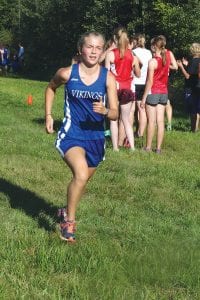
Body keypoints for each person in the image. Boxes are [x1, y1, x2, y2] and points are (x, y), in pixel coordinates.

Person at [45, 31, 118, 243]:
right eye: (89, 47)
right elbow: (50, 88)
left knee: (82, 181)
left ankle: (65, 210)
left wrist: (106, 111)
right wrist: (49, 115)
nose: (94, 51)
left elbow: (115, 112)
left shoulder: (108, 78)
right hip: (72, 134)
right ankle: (69, 224)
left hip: (95, 138)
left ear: (103, 52)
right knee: (81, 174)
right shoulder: (67, 73)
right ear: (80, 49)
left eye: (98, 48)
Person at [105, 27, 140, 151]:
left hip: (114, 88)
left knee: (113, 119)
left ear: (115, 38)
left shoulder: (110, 54)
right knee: (126, 120)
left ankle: (115, 148)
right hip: (128, 88)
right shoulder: (133, 56)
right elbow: (138, 74)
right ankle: (133, 147)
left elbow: (106, 74)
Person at [141, 35, 178, 153]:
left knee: (151, 121)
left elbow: (150, 81)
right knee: (161, 121)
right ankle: (158, 149)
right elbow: (173, 68)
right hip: (164, 93)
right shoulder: (166, 60)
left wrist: (143, 98)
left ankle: (147, 147)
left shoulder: (152, 62)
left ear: (153, 47)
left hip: (153, 93)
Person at [132, 33, 152, 138]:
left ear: (136, 41)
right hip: (145, 82)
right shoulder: (149, 52)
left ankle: (138, 132)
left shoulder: (133, 52)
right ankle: (140, 132)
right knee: (142, 109)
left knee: (135, 110)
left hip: (135, 82)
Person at [177, 43, 200, 132]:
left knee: (193, 110)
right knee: (198, 109)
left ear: (192, 50)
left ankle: (193, 129)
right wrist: (187, 64)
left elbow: (188, 76)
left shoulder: (193, 61)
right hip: (198, 86)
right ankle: (196, 128)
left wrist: (181, 66)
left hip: (192, 87)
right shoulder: (197, 61)